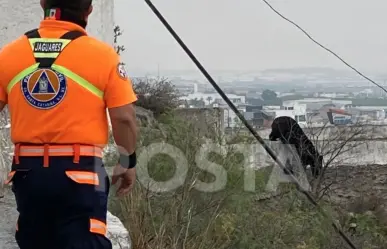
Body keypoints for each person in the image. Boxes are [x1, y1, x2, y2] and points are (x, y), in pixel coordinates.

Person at [0, 0, 138, 248]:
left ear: (43, 3)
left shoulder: (9, 55)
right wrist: (128, 161)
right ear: (89, 10)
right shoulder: (103, 56)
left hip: (27, 172)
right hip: (81, 174)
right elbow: (124, 118)